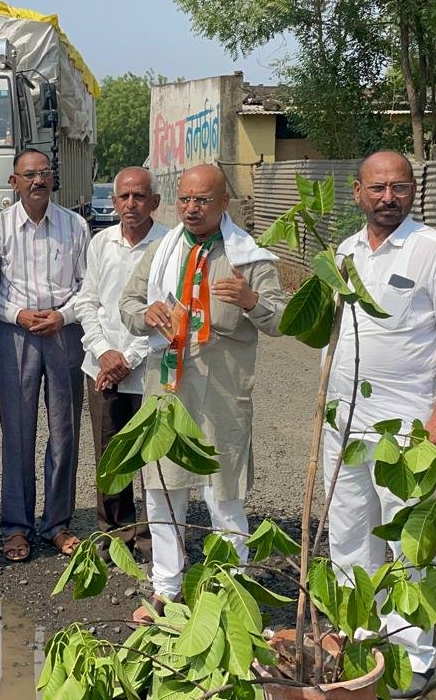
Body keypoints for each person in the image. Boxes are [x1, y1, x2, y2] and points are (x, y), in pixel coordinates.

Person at [321, 150, 436, 699]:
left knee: (411, 543)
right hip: (343, 424)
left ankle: (415, 656)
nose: (389, 198)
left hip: (408, 431)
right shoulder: (343, 252)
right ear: (358, 193)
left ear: (414, 192)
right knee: (346, 534)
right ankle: (361, 640)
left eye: (400, 188)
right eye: (378, 188)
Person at [119, 164, 285, 622]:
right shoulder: (161, 252)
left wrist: (251, 302)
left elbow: (282, 319)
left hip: (224, 394)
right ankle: (166, 586)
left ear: (224, 204)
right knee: (163, 487)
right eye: (185, 200)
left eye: (202, 200)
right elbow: (128, 305)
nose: (192, 209)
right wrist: (146, 313)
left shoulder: (249, 258)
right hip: (167, 389)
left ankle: (228, 586)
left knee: (223, 490)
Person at [0, 148, 89, 562]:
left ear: (53, 178)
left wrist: (63, 316)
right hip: (16, 335)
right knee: (18, 432)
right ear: (14, 182)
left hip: (65, 333)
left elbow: (88, 286)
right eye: (28, 175)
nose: (37, 181)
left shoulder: (75, 226)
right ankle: (15, 526)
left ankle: (57, 524)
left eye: (44, 173)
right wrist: (19, 314)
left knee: (64, 431)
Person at [74, 167, 167, 563]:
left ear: (155, 202)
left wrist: (126, 358)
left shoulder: (168, 245)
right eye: (124, 197)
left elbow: (169, 313)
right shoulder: (100, 243)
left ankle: (152, 537)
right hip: (101, 367)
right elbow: (87, 302)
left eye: (139, 196)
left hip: (149, 369)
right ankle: (114, 534)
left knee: (152, 456)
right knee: (109, 453)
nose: (131, 204)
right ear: (113, 202)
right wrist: (102, 352)